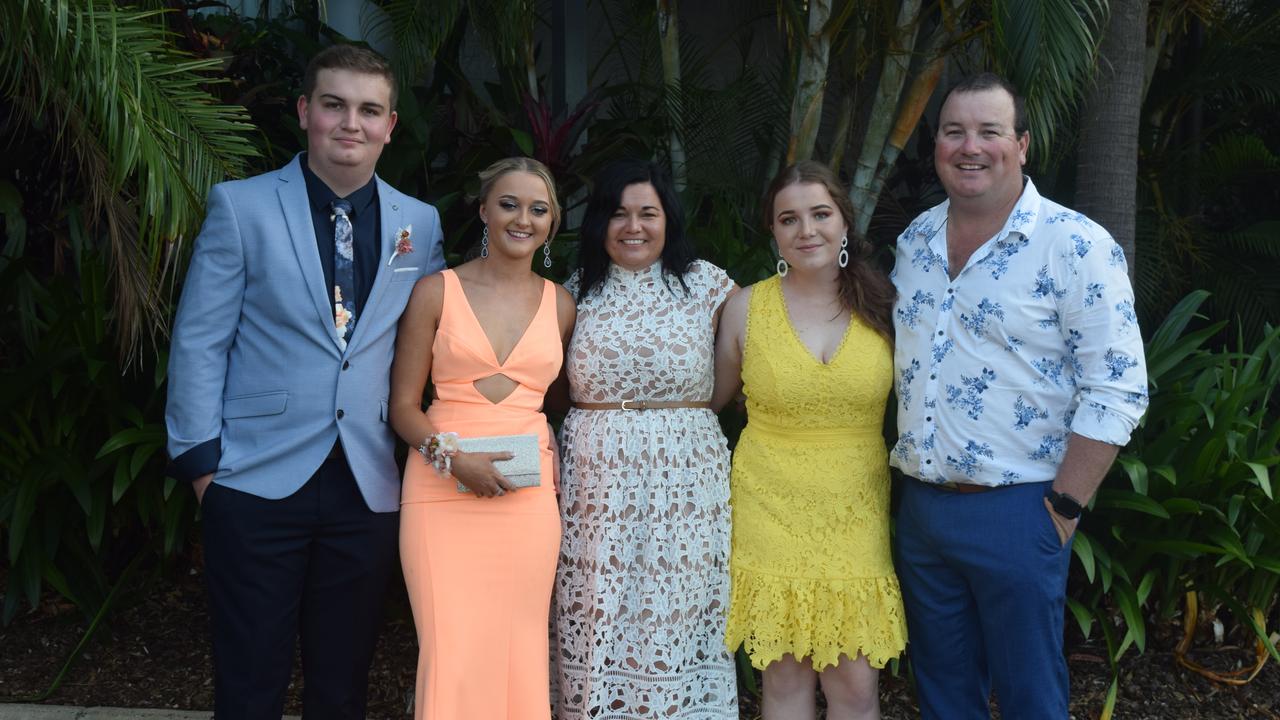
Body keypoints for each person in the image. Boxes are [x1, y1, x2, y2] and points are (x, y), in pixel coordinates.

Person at [165, 45, 444, 719]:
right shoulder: (242, 207)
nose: (351, 122)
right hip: (253, 480)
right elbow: (201, 340)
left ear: (390, 125)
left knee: (341, 686)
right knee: (250, 681)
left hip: (368, 486)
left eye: (369, 109)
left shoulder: (421, 223)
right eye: (334, 104)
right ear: (305, 112)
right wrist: (205, 469)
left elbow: (434, 344)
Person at [890, 72, 1148, 719]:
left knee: (1032, 696)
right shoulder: (914, 242)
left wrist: (1062, 506)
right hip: (922, 510)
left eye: (989, 131)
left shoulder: (1076, 245)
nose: (970, 146)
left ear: (1023, 145)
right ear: (937, 146)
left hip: (1020, 507)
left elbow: (1117, 386)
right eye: (954, 132)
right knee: (944, 694)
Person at [712, 160, 906, 719]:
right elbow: (710, 404)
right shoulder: (746, 308)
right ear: (773, 232)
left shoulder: (885, 305)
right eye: (788, 219)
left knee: (854, 686)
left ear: (844, 221)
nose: (806, 230)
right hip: (768, 507)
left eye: (820, 214)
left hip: (855, 511)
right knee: (785, 680)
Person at [551, 160, 739, 719]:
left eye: (647, 213)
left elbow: (735, 370)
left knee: (676, 611)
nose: (633, 226)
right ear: (599, 224)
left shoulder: (706, 283)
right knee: (600, 609)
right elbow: (552, 384)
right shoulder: (576, 290)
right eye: (618, 213)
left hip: (686, 476)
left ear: (668, 220)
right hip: (595, 480)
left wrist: (674, 425)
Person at [390, 157, 575, 720]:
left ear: (551, 225)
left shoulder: (562, 305)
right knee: (450, 651)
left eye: (538, 209)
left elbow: (557, 403)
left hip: (526, 503)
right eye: (510, 204)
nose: (523, 218)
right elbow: (402, 407)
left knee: (520, 651)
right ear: (484, 212)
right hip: (439, 496)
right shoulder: (435, 292)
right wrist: (455, 460)